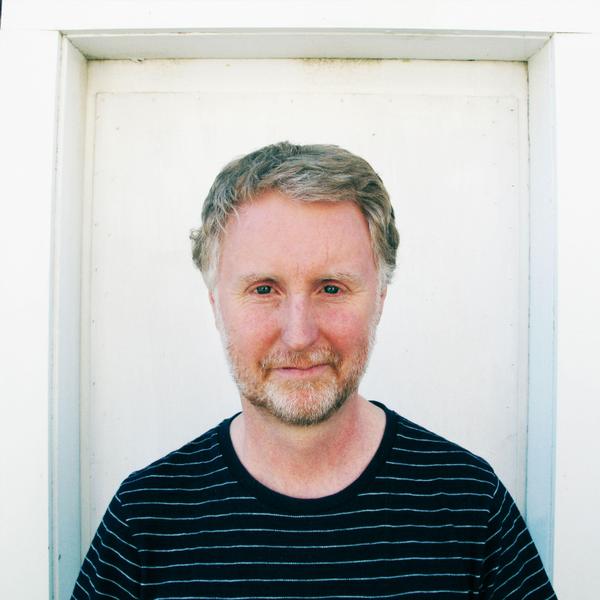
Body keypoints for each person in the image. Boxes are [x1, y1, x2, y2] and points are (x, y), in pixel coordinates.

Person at [71, 142, 556, 599]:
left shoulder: (470, 503)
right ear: (217, 306)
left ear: (380, 301)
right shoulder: (145, 518)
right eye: (264, 289)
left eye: (331, 288)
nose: (299, 335)